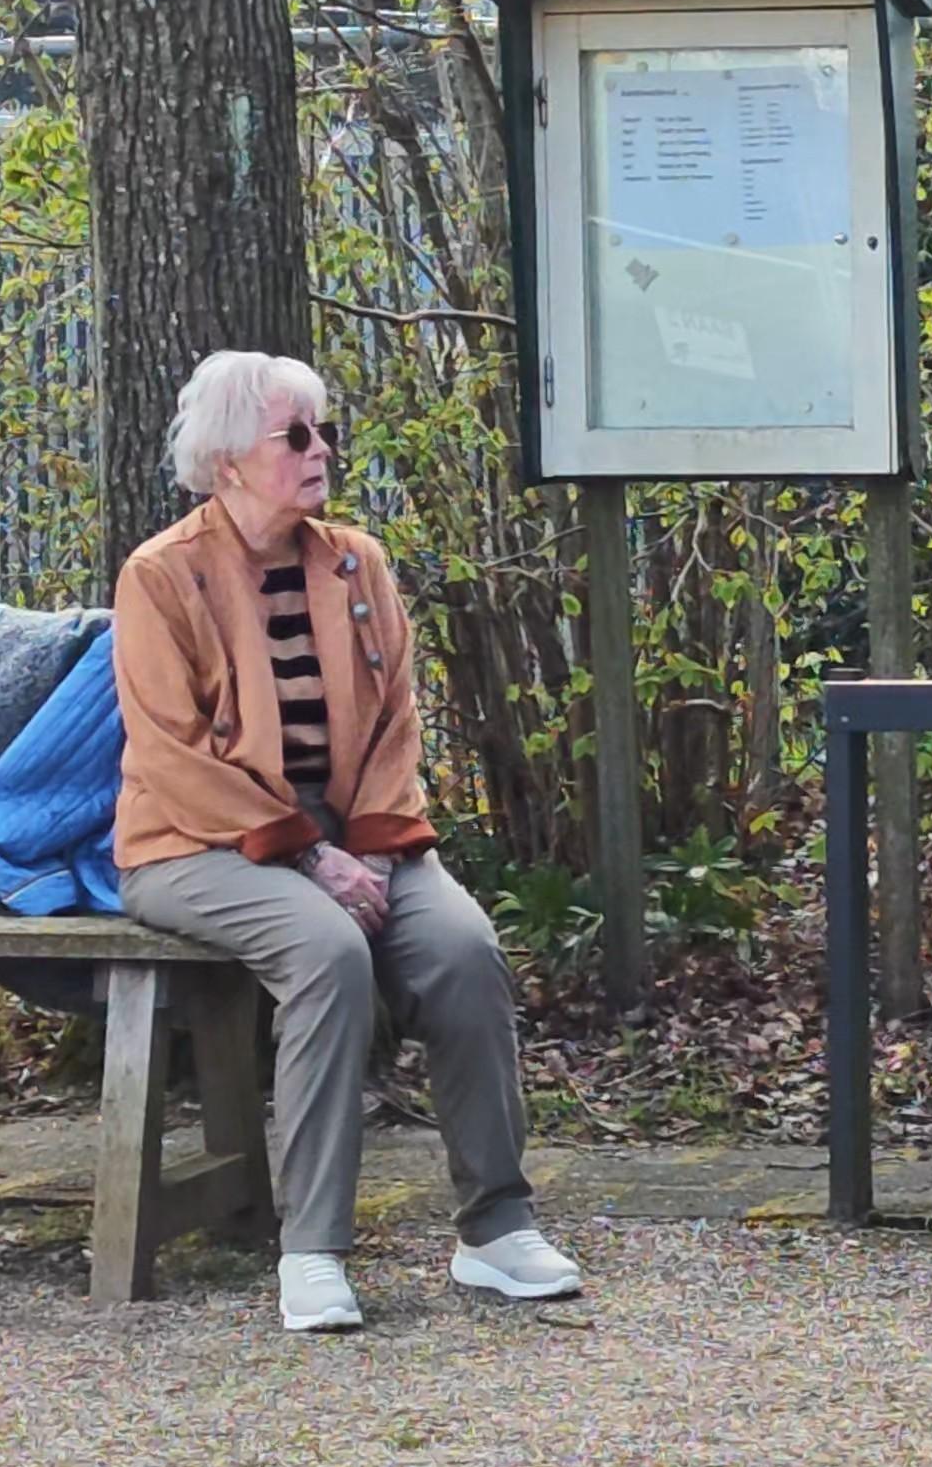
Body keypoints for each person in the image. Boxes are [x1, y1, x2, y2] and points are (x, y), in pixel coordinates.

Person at [112, 350, 582, 1333]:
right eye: (295, 435)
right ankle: (313, 1248)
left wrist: (367, 849)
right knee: (328, 954)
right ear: (231, 457)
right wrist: (305, 856)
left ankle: (495, 1227)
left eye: (323, 430)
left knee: (461, 949)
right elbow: (172, 757)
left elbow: (397, 724)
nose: (319, 450)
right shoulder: (161, 577)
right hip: (193, 847)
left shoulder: (356, 564)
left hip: (355, 843)